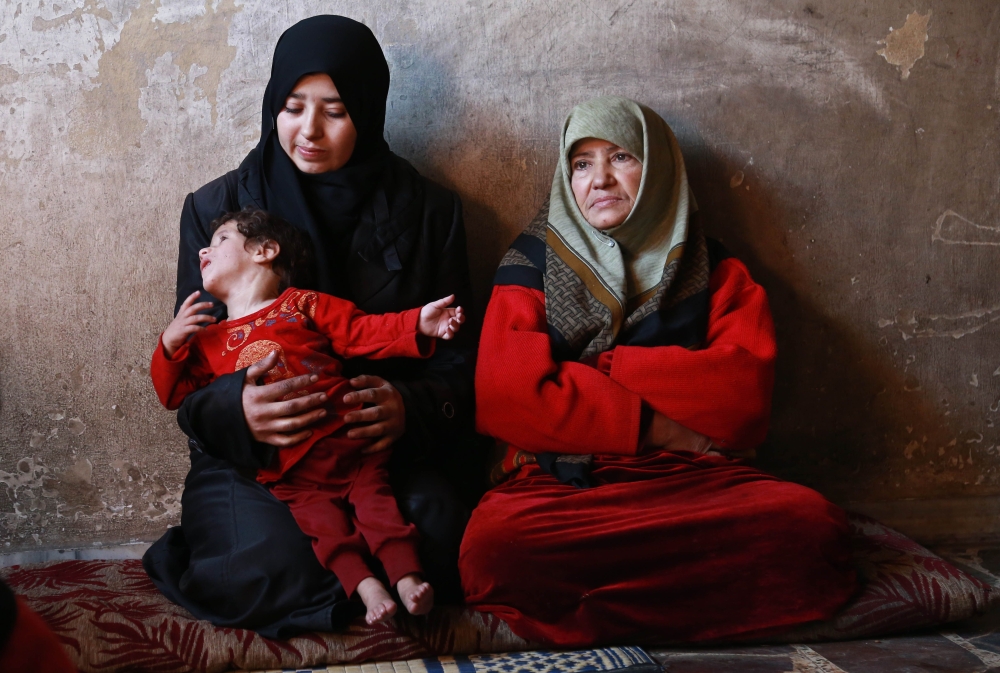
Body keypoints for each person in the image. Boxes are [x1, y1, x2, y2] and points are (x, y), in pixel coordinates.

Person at [460, 96, 858, 647]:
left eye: (621, 157)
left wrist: (605, 366)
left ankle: (597, 611)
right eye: (581, 163)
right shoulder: (531, 263)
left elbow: (742, 397)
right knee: (496, 547)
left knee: (812, 528)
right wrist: (668, 428)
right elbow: (508, 396)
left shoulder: (714, 268)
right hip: (563, 482)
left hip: (693, 483)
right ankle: (710, 607)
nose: (599, 179)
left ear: (660, 168)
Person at [142, 15, 479, 638]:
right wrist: (237, 412)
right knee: (260, 564)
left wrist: (409, 408)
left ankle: (373, 586)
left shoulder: (430, 211)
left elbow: (461, 363)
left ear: (370, 112)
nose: (310, 132)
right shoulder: (217, 213)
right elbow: (188, 376)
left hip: (373, 453)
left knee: (446, 535)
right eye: (294, 108)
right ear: (273, 105)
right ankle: (367, 592)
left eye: (336, 111)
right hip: (259, 463)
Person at [151, 209, 466, 623]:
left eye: (222, 239)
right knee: (324, 530)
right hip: (288, 469)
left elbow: (362, 332)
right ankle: (369, 591)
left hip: (347, 439)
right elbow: (174, 394)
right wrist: (170, 346)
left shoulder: (301, 303)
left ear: (265, 250)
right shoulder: (207, 341)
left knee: (379, 507)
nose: (204, 249)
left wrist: (417, 324)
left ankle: (407, 579)